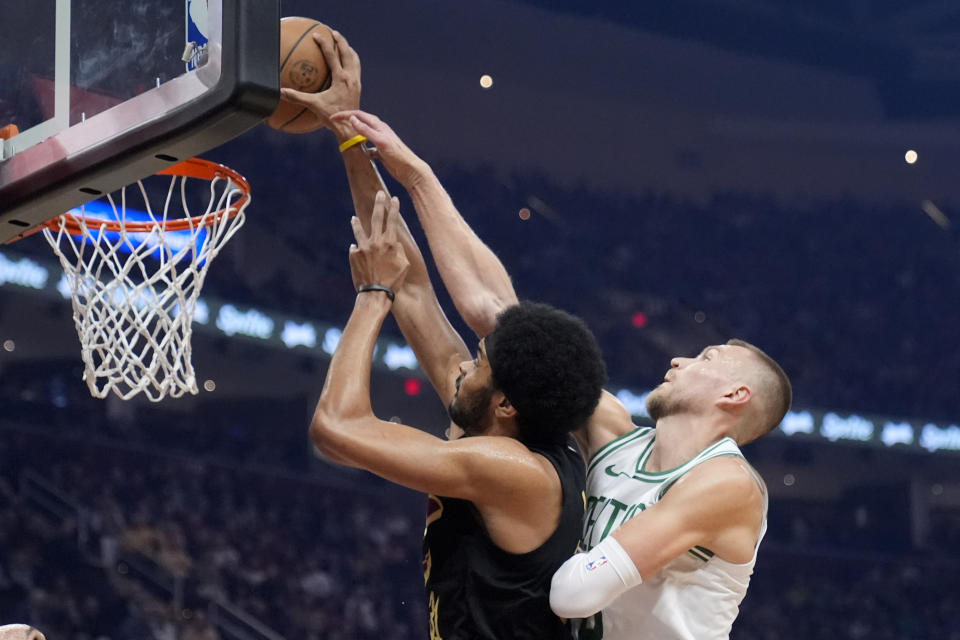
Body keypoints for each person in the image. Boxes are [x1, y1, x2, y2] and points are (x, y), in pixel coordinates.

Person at [285, 31, 790, 640]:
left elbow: (575, 592)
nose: (681, 356)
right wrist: (366, 146)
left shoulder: (726, 484)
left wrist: (545, 533)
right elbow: (482, 307)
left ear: (735, 396)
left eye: (707, 356)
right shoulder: (609, 440)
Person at [306, 133, 606, 640]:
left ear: (507, 403)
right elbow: (415, 289)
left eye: (478, 363)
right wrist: (350, 138)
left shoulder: (514, 471)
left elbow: (336, 428)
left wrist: (371, 296)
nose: (463, 366)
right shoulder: (508, 428)